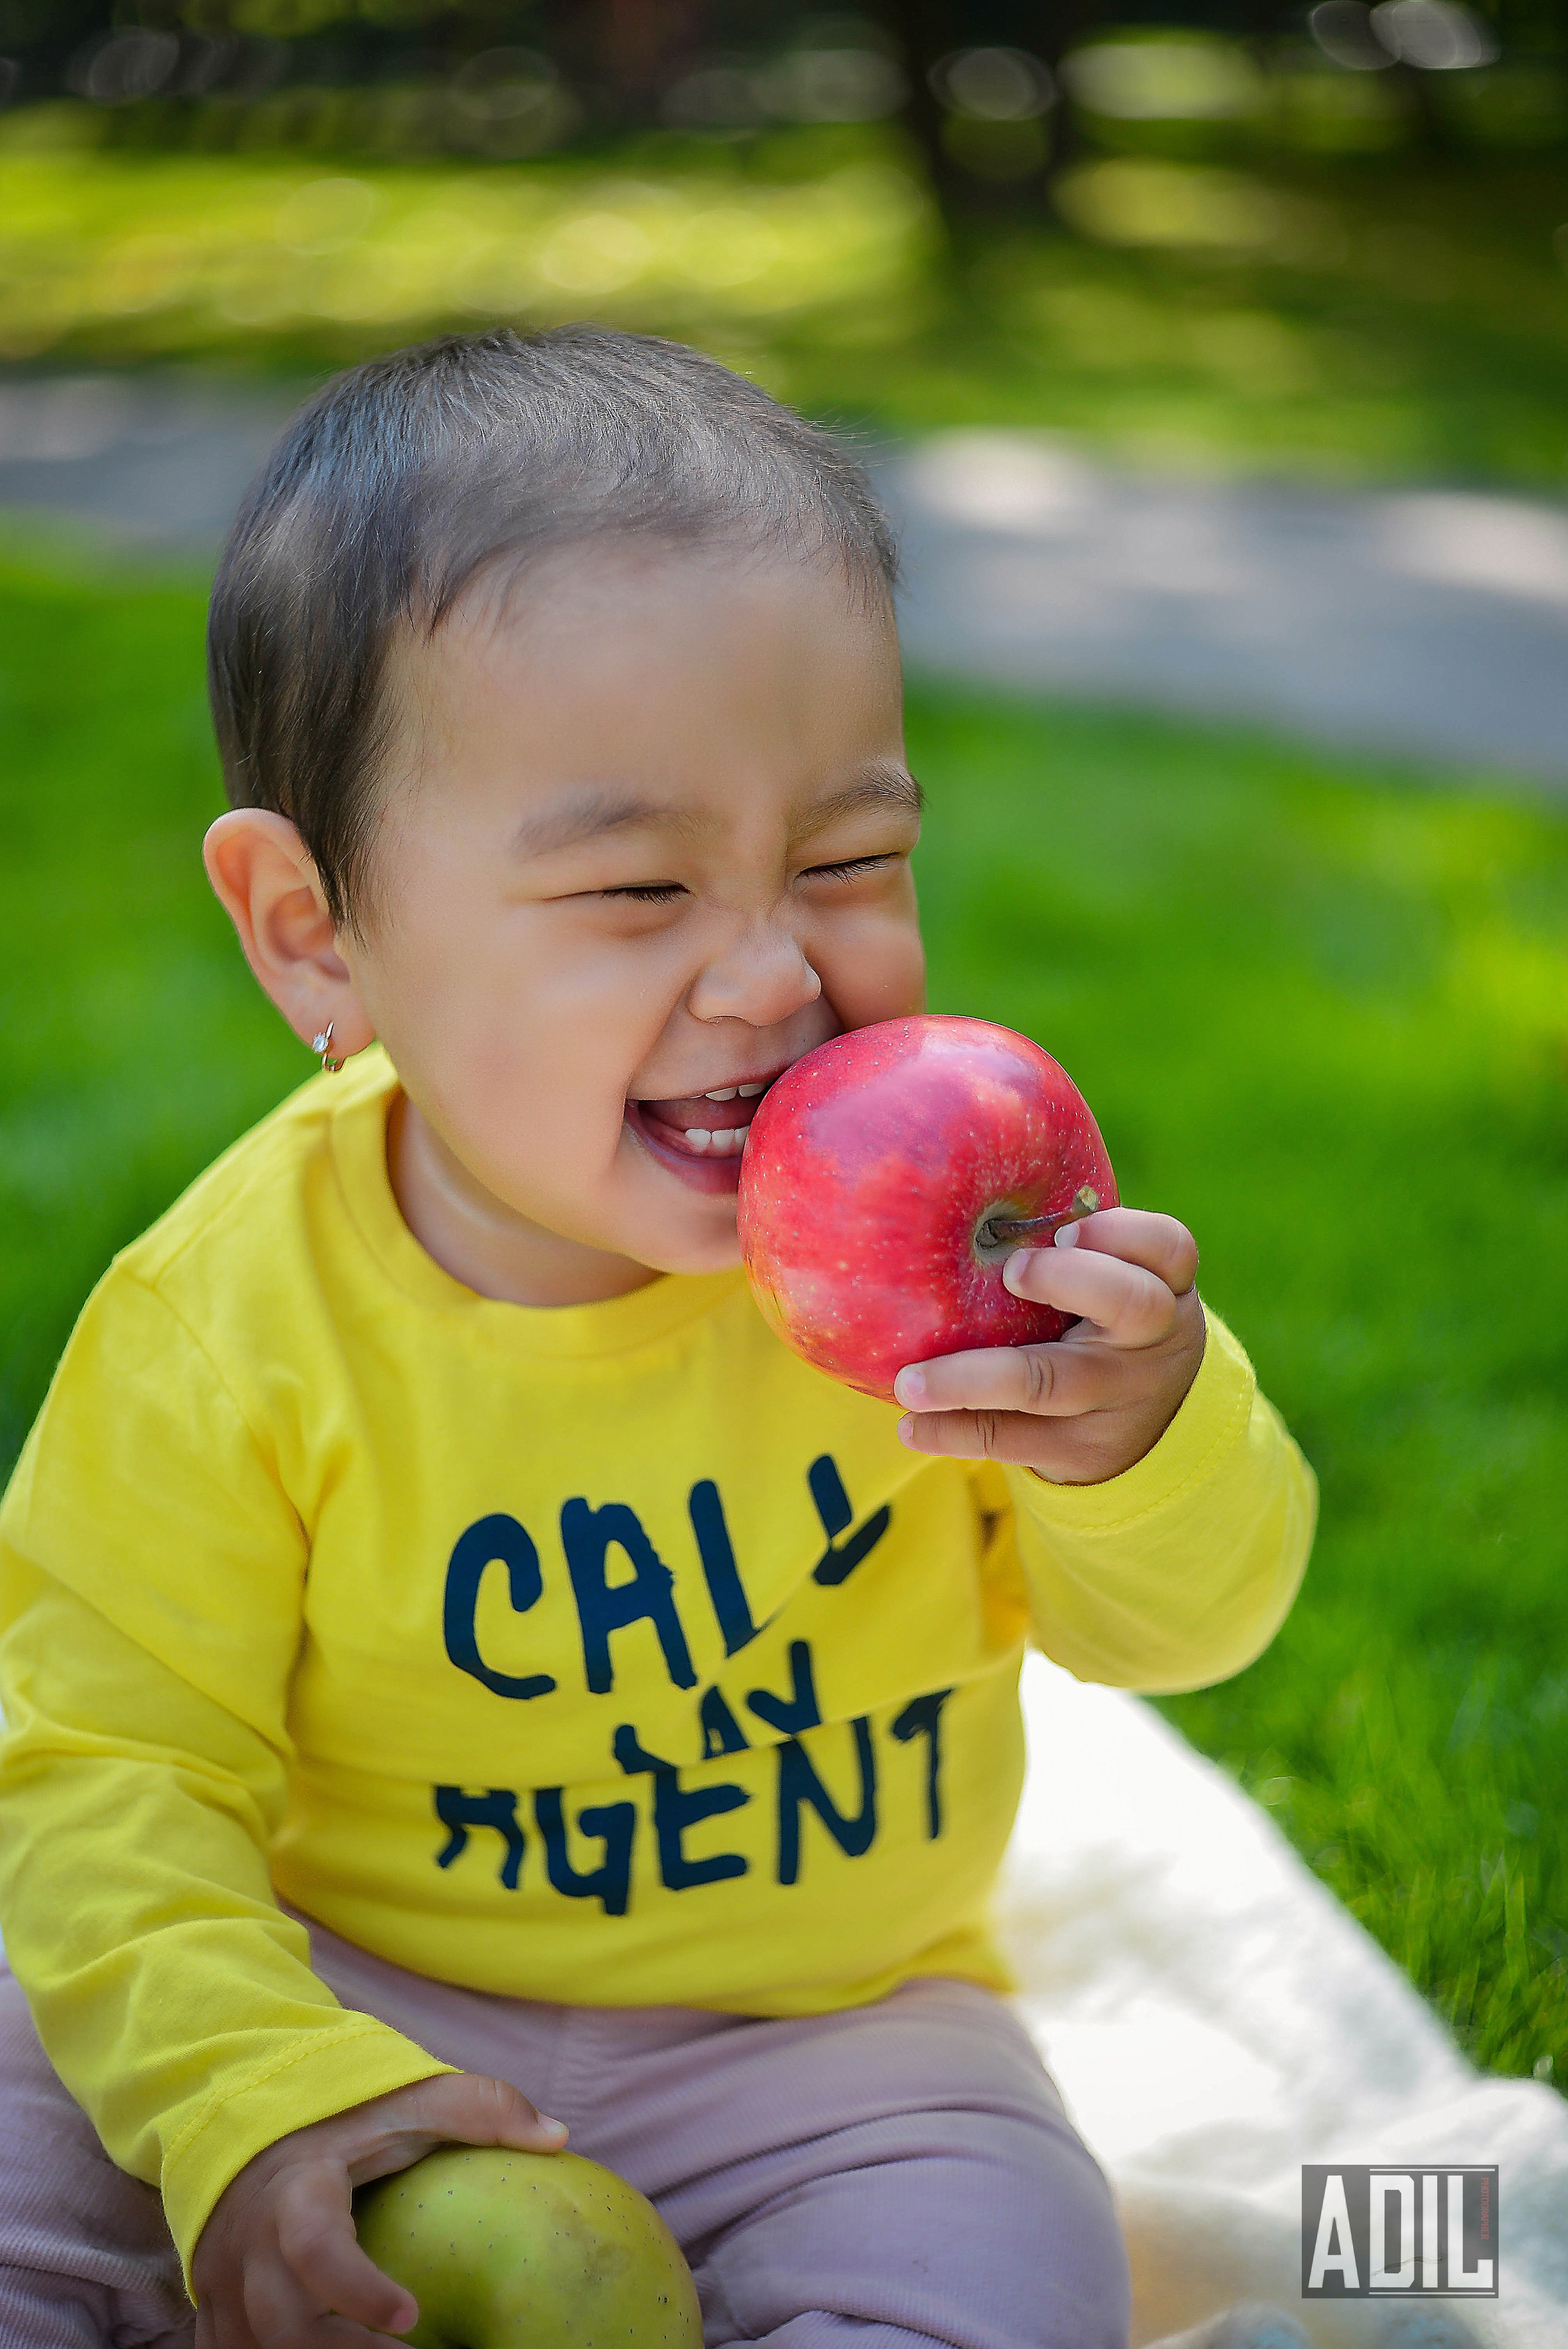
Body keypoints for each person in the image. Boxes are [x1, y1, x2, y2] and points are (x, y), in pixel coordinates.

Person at [0, 326, 1316, 2349]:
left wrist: (1138, 1436)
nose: (776, 970)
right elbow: (104, 1767)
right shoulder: (228, 1327)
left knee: (1009, 2268)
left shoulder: (971, 1278)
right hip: (337, 1970)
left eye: (851, 860)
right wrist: (249, 2093)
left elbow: (1193, 1628)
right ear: (312, 930)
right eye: (636, 885)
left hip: (830, 2035)